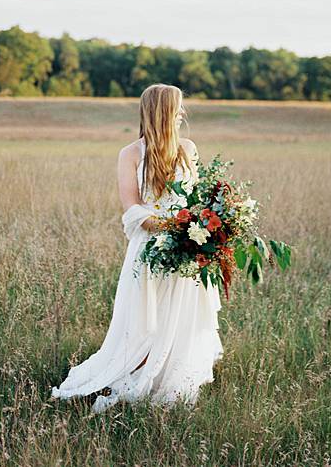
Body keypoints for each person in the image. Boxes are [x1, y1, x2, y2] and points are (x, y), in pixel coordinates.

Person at [49, 84, 223, 414]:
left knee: (180, 316)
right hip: (150, 251)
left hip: (186, 249)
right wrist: (175, 224)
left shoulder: (188, 148)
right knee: (146, 319)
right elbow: (133, 210)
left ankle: (170, 373)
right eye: (178, 107)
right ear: (162, 111)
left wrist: (206, 224)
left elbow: (197, 200)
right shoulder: (129, 154)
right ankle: (137, 372)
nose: (183, 113)